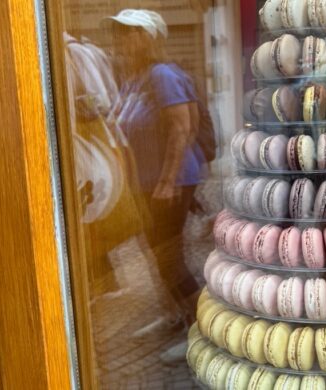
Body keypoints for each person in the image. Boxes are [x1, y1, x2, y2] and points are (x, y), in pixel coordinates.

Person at [104, 9, 208, 319]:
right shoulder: (133, 79)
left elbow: (183, 127)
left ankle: (204, 324)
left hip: (168, 184)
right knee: (159, 257)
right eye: (118, 32)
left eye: (129, 32)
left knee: (169, 260)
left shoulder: (162, 74)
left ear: (148, 38)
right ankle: (178, 318)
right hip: (146, 184)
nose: (121, 39)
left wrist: (167, 182)